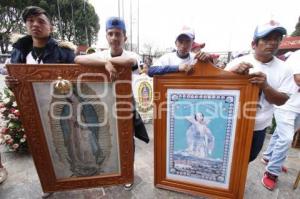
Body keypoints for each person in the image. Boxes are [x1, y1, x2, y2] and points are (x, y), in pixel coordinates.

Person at [75, 16, 149, 190]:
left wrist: (105, 63)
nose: (114, 38)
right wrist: (105, 62)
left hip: (124, 107)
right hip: (103, 106)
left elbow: (129, 63)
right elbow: (78, 60)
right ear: (106, 36)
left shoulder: (132, 55)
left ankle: (127, 173)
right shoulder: (101, 55)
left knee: (126, 141)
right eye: (111, 34)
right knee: (101, 137)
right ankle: (106, 169)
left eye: (118, 34)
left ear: (125, 37)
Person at [224, 20, 292, 163]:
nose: (273, 43)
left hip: (258, 128)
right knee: (226, 159)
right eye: (267, 39)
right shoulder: (237, 63)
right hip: (232, 124)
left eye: (277, 39)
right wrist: (232, 75)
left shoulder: (284, 69)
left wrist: (265, 86)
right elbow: (217, 91)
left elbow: (282, 100)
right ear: (254, 44)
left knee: (248, 159)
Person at [5, 6, 75, 87]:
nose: (35, 24)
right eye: (30, 20)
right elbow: (17, 85)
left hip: (58, 99)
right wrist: (10, 84)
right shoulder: (18, 51)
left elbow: (76, 82)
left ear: (51, 28)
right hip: (29, 99)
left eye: (41, 22)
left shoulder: (65, 51)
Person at [261, 49, 300, 190]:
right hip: (287, 105)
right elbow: (298, 79)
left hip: (298, 107)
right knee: (286, 138)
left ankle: (268, 156)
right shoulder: (297, 55)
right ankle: (271, 172)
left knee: (280, 134)